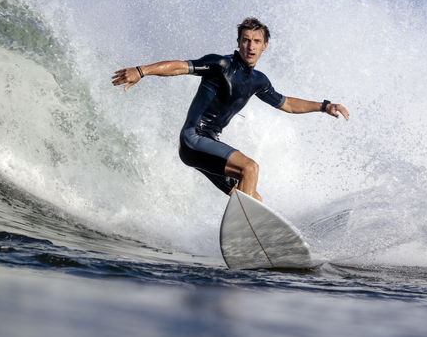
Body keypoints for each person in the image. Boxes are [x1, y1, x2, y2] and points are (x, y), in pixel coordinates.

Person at [111, 17, 349, 202]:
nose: (251, 46)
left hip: (208, 147)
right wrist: (142, 70)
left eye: (257, 41)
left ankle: (256, 247)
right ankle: (246, 240)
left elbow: (286, 103)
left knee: (253, 198)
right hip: (194, 139)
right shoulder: (221, 64)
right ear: (238, 42)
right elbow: (180, 67)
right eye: (246, 40)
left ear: (265, 45)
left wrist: (324, 106)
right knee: (250, 168)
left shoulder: (259, 80)